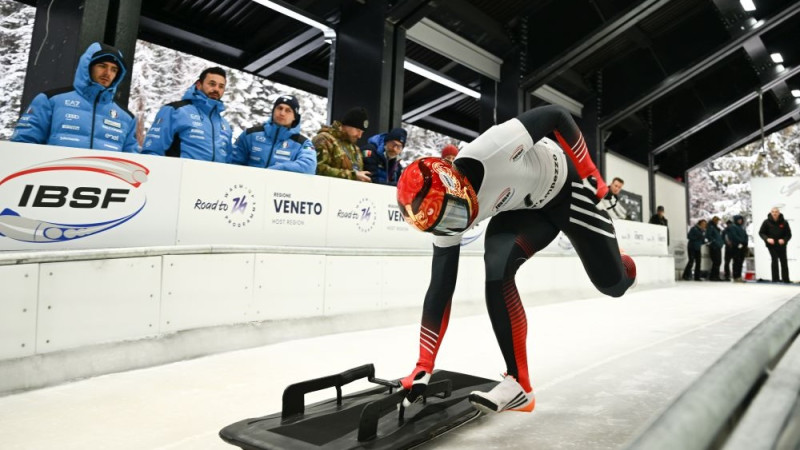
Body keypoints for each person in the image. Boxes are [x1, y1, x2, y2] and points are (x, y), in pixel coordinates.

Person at [395, 105, 637, 415]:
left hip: (566, 187)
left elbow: (556, 116)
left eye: (457, 214)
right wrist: (423, 364)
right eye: (446, 225)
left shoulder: (494, 146)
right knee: (496, 270)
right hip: (521, 211)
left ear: (456, 182)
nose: (457, 225)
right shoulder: (443, 215)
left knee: (613, 284)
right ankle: (519, 384)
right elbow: (441, 287)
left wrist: (592, 174)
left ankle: (620, 261)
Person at [11, 42, 139, 152]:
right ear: (88, 66)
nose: (108, 73)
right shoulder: (50, 100)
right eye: (102, 66)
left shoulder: (127, 118)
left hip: (103, 181)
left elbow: (132, 162)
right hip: (52, 179)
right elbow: (23, 146)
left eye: (114, 69)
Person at [142, 67, 233, 162]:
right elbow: (152, 152)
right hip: (179, 175)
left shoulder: (224, 124)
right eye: (212, 84)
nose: (216, 89)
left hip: (215, 176)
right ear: (198, 85)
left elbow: (229, 162)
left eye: (221, 86)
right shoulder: (175, 110)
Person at [230, 95, 315, 174]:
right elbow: (232, 162)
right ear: (273, 111)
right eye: (279, 108)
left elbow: (309, 167)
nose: (282, 113)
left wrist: (275, 171)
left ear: (295, 117)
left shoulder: (302, 143)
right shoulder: (250, 135)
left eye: (288, 110)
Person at [313, 107, 371, 181]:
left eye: (362, 133)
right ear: (347, 125)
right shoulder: (324, 139)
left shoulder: (355, 148)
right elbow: (318, 168)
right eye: (358, 130)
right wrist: (352, 175)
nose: (359, 136)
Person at [758, 207, 792, 282]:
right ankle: (775, 279)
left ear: (779, 213)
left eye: (776, 212)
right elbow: (761, 233)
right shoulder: (766, 222)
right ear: (771, 213)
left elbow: (789, 235)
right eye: (773, 212)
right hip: (771, 245)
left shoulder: (784, 222)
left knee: (784, 261)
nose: (774, 213)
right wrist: (767, 239)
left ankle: (786, 280)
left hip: (782, 245)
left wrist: (784, 240)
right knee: (774, 260)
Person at [728, 215, 749, 282]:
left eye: (741, 219)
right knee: (736, 261)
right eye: (738, 220)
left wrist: (745, 242)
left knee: (741, 261)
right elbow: (734, 236)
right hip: (736, 247)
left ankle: (739, 276)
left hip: (743, 247)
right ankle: (736, 276)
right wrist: (740, 242)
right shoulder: (733, 227)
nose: (740, 221)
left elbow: (746, 236)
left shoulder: (742, 228)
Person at [706, 216, 724, 281]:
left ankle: (715, 276)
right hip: (714, 246)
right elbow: (708, 235)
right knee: (716, 261)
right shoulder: (711, 227)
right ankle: (713, 276)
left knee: (718, 262)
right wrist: (714, 241)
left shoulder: (715, 227)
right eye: (716, 220)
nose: (717, 221)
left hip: (717, 246)